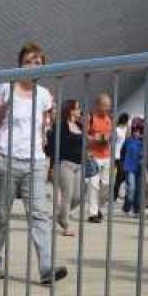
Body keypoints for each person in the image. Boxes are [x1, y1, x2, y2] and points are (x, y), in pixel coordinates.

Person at [0, 42, 67, 285]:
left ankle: (46, 266)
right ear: (20, 63)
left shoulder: (44, 95)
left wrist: (45, 152)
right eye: (29, 61)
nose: (33, 66)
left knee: (40, 215)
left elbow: (44, 126)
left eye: (38, 62)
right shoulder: (6, 88)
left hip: (35, 161)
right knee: (1, 212)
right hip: (5, 157)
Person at [47, 99, 84, 236]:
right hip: (64, 164)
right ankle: (66, 224)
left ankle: (60, 216)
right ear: (70, 110)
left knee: (78, 196)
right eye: (77, 108)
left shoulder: (80, 125)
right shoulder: (61, 126)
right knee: (67, 196)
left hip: (79, 165)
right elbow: (55, 146)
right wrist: (52, 166)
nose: (79, 111)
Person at [84, 93, 113, 223]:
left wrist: (109, 139)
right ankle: (93, 213)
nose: (107, 108)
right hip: (93, 155)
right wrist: (98, 138)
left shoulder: (109, 119)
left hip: (107, 155)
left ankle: (98, 207)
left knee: (106, 186)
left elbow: (111, 135)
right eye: (105, 105)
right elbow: (84, 136)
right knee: (93, 185)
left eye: (109, 105)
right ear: (97, 105)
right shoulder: (90, 118)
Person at [120, 117, 145, 216]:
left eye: (139, 131)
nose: (136, 133)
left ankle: (136, 209)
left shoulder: (144, 142)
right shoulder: (128, 141)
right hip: (129, 167)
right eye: (135, 131)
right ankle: (127, 207)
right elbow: (122, 152)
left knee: (139, 189)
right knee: (131, 188)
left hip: (140, 168)